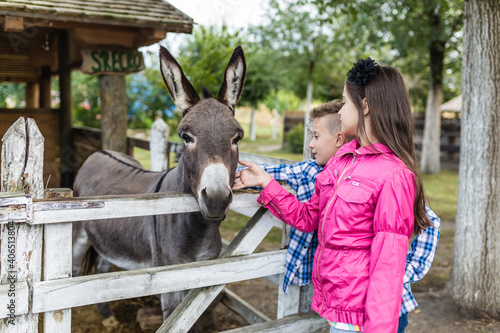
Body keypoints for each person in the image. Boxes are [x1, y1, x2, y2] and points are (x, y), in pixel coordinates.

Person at [234, 58, 435, 332]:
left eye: (345, 102)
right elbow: (309, 218)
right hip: (337, 307)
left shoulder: (394, 175)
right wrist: (267, 184)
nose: (340, 110)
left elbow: (388, 267)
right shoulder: (341, 160)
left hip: (362, 319)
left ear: (364, 106)